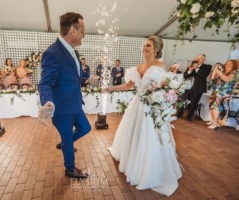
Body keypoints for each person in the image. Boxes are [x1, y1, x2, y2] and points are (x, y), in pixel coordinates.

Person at [103, 36, 182, 196]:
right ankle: (133, 160)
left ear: (156, 49)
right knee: (134, 134)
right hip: (137, 106)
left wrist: (166, 100)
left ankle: (149, 168)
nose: (144, 48)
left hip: (152, 108)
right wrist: (111, 88)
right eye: (144, 45)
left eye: (148, 46)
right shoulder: (138, 67)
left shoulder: (161, 66)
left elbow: (165, 88)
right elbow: (127, 85)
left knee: (150, 137)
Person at [38, 12, 91, 179]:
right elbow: (45, 83)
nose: (84, 34)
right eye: (82, 30)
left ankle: (65, 143)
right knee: (68, 139)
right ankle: (70, 169)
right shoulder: (52, 53)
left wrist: (89, 77)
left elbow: (75, 73)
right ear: (73, 31)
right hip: (62, 109)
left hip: (75, 104)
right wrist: (47, 102)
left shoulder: (73, 51)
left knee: (86, 128)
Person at [178, 54, 212, 121]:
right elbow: (185, 75)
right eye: (196, 58)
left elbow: (204, 75)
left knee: (194, 103)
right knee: (181, 99)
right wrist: (190, 70)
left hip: (198, 87)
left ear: (204, 60)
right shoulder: (192, 65)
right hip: (188, 86)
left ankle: (189, 118)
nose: (197, 60)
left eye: (200, 59)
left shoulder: (207, 66)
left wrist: (197, 68)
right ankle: (179, 114)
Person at [207, 60, 238, 129]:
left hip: (224, 93)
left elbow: (227, 79)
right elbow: (213, 77)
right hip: (216, 91)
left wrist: (219, 72)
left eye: (230, 64)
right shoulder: (224, 72)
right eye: (227, 63)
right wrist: (216, 69)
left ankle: (215, 123)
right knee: (212, 106)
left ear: (234, 65)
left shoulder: (235, 72)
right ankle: (213, 120)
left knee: (216, 108)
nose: (227, 65)